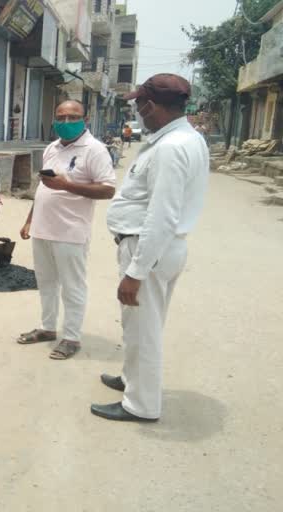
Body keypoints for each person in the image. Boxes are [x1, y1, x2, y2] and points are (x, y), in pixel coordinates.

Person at [94, 73, 209, 422]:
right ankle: (132, 380)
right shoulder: (183, 139)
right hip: (157, 249)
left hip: (148, 249)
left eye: (140, 104)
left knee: (144, 330)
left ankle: (141, 405)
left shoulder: (172, 148)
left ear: (152, 105)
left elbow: (162, 215)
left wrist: (136, 272)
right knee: (139, 326)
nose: (138, 111)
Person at [18, 100, 116, 360]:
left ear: (85, 118)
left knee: (73, 287)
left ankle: (71, 337)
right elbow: (44, 188)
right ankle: (48, 328)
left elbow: (107, 189)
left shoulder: (95, 150)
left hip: (70, 232)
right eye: (61, 117)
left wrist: (67, 186)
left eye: (73, 117)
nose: (66, 122)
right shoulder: (51, 148)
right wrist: (30, 219)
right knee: (46, 283)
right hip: (42, 229)